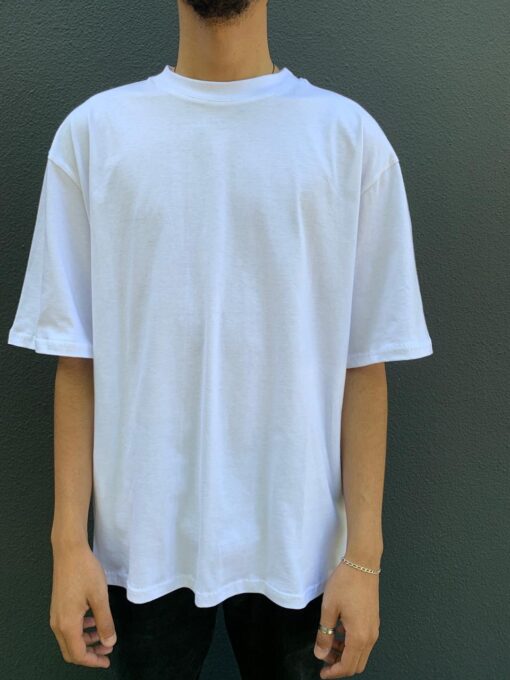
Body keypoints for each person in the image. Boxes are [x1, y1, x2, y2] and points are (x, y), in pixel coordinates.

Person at [7, 0, 433, 678]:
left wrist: (364, 560)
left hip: (302, 551)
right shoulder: (94, 135)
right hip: (139, 552)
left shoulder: (349, 139)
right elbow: (77, 359)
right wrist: (68, 546)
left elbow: (365, 366)